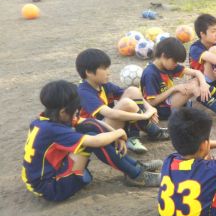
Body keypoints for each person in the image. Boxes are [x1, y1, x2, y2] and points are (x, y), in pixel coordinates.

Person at [21, 81, 159, 201]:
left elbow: (92, 122)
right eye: (75, 110)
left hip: (47, 176)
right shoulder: (53, 129)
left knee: (89, 126)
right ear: (63, 112)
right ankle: (136, 175)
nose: (77, 112)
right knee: (93, 140)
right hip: (52, 187)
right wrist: (119, 132)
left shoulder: (45, 120)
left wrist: (116, 135)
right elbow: (95, 141)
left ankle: (135, 166)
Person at [76, 48, 168, 154]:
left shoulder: (103, 85)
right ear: (88, 72)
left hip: (108, 125)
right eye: (104, 69)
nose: (109, 72)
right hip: (96, 135)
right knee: (127, 104)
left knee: (133, 90)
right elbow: (111, 113)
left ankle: (142, 134)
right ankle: (141, 134)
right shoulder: (84, 92)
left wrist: (150, 108)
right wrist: (144, 116)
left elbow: (134, 94)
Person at [141, 37, 216, 126]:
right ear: (164, 56)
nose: (176, 65)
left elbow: (197, 73)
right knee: (193, 87)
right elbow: (151, 102)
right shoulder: (150, 73)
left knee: (196, 81)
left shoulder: (167, 65)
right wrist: (174, 89)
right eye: (175, 62)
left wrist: (203, 84)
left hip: (171, 102)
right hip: (161, 110)